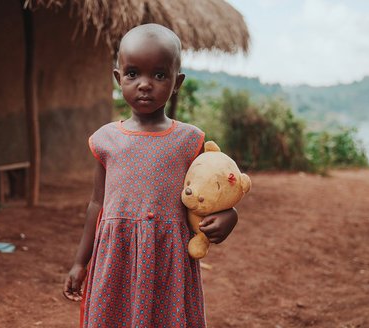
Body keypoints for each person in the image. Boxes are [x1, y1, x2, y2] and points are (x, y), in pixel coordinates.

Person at [63, 23, 239, 327]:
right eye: (133, 73)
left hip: (167, 260)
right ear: (118, 78)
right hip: (115, 257)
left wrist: (230, 215)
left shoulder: (189, 140)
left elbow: (210, 194)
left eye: (159, 75)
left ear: (177, 81)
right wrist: (81, 262)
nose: (145, 84)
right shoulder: (106, 140)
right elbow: (96, 204)